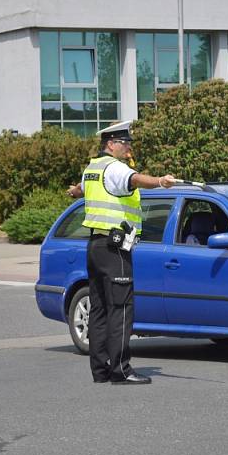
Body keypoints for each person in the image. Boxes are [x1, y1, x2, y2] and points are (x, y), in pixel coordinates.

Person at [67, 120, 176, 385]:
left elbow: (80, 190)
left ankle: (101, 370)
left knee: (100, 308)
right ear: (111, 144)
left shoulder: (92, 168)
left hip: (95, 247)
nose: (128, 148)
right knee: (121, 308)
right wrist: (160, 181)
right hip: (115, 249)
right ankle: (121, 370)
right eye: (124, 143)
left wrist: (73, 191)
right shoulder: (116, 168)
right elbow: (135, 179)